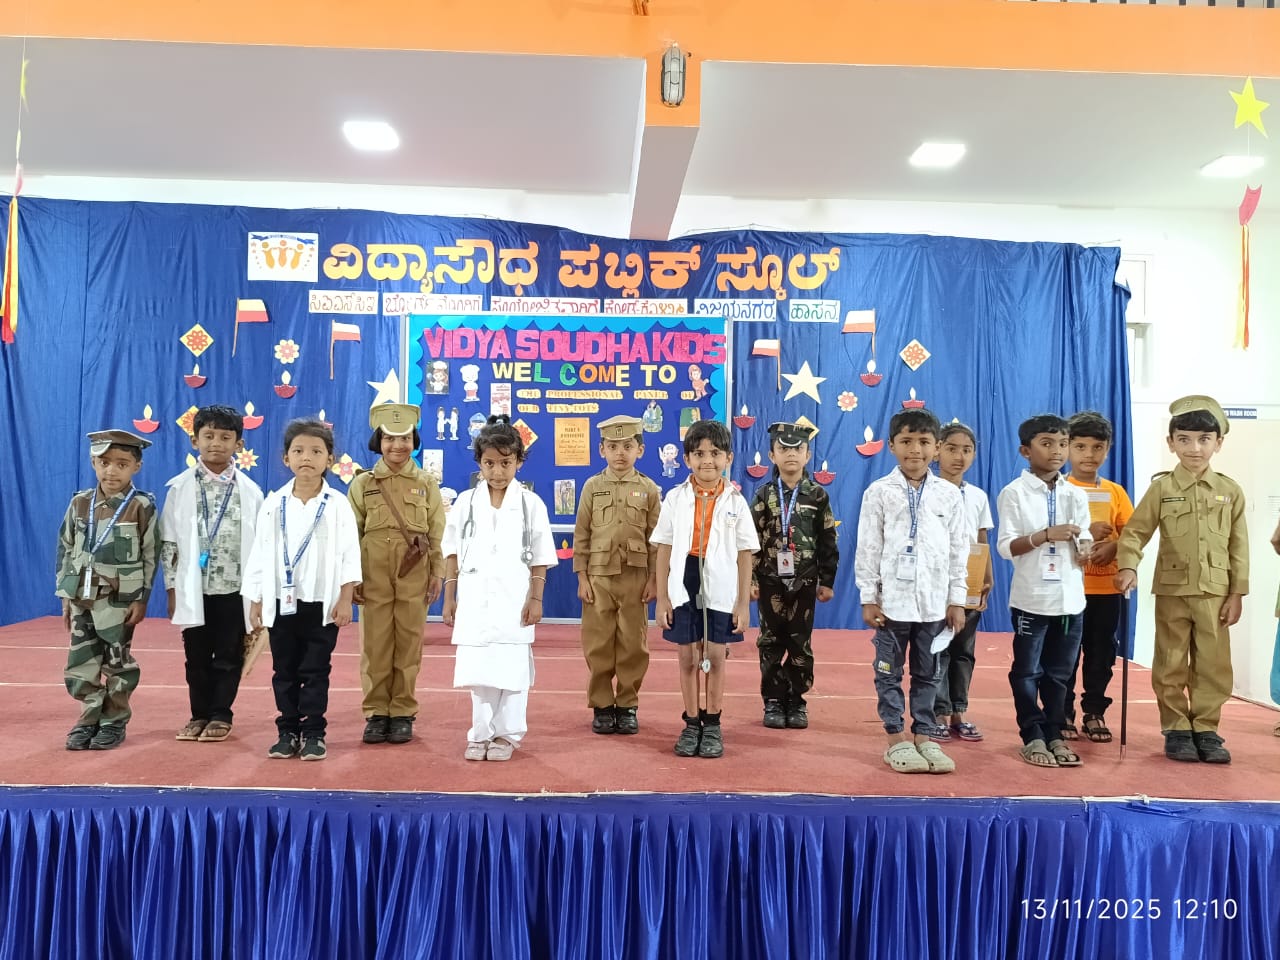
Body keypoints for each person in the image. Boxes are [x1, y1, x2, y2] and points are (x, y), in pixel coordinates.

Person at [1114, 395, 1248, 764]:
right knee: (1171, 661)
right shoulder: (1162, 489)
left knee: (1213, 664)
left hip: (1216, 593)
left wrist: (1237, 592)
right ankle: (1176, 728)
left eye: (1204, 440)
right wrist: (1128, 566)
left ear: (1219, 443)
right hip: (1173, 590)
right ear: (1170, 442)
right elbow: (1135, 533)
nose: (1195, 448)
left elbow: (1239, 545)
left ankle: (1206, 728)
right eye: (1185, 439)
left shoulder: (1230, 490)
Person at [855, 409, 967, 774]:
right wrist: (868, 597)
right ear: (891, 446)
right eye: (906, 441)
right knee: (888, 672)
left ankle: (924, 735)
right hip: (891, 605)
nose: (914, 450)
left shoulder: (949, 495)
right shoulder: (879, 492)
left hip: (933, 606)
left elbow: (958, 551)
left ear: (937, 447)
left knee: (928, 673)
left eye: (923, 442)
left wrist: (957, 599)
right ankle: (895, 738)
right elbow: (868, 547)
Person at [244, 419, 362, 761]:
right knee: (284, 671)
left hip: (321, 604)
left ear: (330, 459)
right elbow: (260, 552)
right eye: (298, 451)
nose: (306, 457)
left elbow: (349, 553)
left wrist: (346, 599)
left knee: (315, 670)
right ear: (286, 458)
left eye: (315, 451)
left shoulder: (337, 504)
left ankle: (313, 733)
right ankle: (287, 731)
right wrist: (256, 599)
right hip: (281, 602)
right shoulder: (274, 503)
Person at [441, 415, 557, 761]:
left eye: (506, 463)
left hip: (514, 601)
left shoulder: (531, 504)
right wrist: (449, 597)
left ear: (519, 462)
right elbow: (451, 552)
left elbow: (540, 557)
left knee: (512, 672)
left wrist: (535, 598)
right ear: (479, 462)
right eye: (489, 463)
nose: (497, 471)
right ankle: (480, 734)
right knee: (479, 674)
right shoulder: (465, 503)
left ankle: (507, 735)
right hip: (475, 601)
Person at [651, 419, 759, 759]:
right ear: (686, 459)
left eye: (715, 453)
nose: (707, 460)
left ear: (728, 457)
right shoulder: (675, 498)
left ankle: (712, 723)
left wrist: (742, 603)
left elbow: (745, 554)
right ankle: (691, 722)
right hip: (684, 581)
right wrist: (662, 598)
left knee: (714, 655)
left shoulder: (736, 501)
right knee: (687, 656)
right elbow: (664, 547)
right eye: (698, 454)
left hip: (721, 584)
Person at [160, 405, 264, 743]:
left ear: (239, 444)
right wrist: (172, 589)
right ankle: (198, 714)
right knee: (196, 657)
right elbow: (169, 543)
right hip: (194, 588)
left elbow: (261, 548)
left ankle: (221, 714)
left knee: (229, 655)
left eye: (225, 437)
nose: (216, 443)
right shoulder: (179, 489)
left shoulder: (252, 492)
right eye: (208, 436)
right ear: (195, 441)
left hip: (234, 588)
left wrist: (258, 593)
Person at [996, 414, 1093, 769]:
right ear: (1026, 450)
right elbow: (1006, 547)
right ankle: (1032, 734)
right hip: (1031, 600)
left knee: (1060, 674)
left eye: (1063, 444)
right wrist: (1045, 535)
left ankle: (1055, 733)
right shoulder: (1014, 493)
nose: (1057, 451)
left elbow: (1084, 536)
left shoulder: (1075, 494)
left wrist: (1086, 548)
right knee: (1027, 672)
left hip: (1070, 601)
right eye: (1047, 443)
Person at [56, 430, 161, 751]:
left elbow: (150, 555)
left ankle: (114, 720)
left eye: (121, 464)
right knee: (80, 662)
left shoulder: (141, 506)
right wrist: (65, 594)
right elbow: (65, 547)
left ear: (136, 467)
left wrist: (141, 598)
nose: (111, 471)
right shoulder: (80, 503)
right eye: (104, 463)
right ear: (93, 463)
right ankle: (88, 718)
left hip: (118, 600)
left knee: (117, 661)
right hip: (80, 596)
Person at [348, 403, 445, 746]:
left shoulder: (427, 484)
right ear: (379, 441)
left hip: (413, 572)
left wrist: (437, 573)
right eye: (389, 438)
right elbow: (350, 534)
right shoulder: (363, 483)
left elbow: (437, 533)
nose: (397, 446)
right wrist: (352, 578)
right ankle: (377, 712)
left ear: (414, 440)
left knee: (408, 643)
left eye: (404, 438)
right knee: (375, 645)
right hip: (372, 573)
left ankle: (402, 711)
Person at [574, 415, 660, 735]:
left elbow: (656, 540)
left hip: (636, 578)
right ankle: (601, 705)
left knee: (633, 644)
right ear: (602, 450)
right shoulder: (592, 487)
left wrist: (654, 579)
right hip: (599, 577)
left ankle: (627, 705)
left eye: (627, 446)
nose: (620, 453)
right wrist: (582, 577)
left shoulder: (648, 489)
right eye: (612, 446)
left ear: (640, 449)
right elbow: (582, 535)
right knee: (598, 643)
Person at [750, 421, 838, 730]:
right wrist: (750, 579)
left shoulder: (817, 495)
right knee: (771, 641)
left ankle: (797, 699)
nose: (791, 454)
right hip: (769, 580)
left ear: (808, 455)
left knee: (800, 642)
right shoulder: (763, 495)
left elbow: (828, 540)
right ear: (771, 455)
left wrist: (827, 580)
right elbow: (751, 540)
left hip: (805, 581)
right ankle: (774, 699)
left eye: (798, 449)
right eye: (783, 449)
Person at [1062, 410, 1134, 745]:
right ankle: (1061, 711)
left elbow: (1132, 533)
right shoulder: (1059, 489)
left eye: (1097, 447)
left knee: (1101, 654)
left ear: (1108, 449)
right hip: (1067, 589)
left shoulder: (1115, 492)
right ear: (1067, 448)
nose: (1089, 454)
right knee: (1064, 654)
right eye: (1080, 446)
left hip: (1106, 589)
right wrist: (1086, 532)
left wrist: (1116, 547)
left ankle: (1094, 710)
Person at [929, 422, 994, 743]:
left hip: (969, 581)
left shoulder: (978, 496)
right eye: (952, 449)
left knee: (964, 651)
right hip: (937, 582)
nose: (959, 456)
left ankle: (959, 711)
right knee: (939, 649)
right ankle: (938, 712)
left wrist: (987, 578)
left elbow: (981, 538)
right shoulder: (928, 491)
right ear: (936, 450)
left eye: (967, 450)